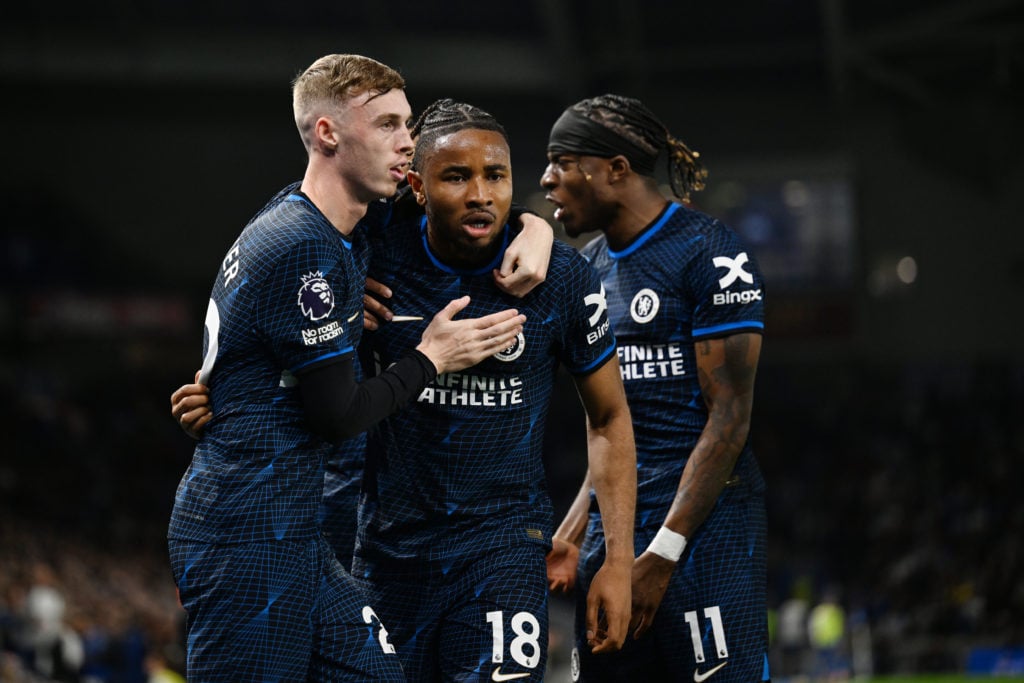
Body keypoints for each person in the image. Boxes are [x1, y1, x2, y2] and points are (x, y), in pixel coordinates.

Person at [166, 54, 531, 682]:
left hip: (293, 531)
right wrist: (432, 357)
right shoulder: (305, 246)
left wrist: (533, 225)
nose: (407, 143)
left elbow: (467, 206)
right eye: (388, 124)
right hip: (247, 532)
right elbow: (336, 415)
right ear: (328, 134)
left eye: (408, 124)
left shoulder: (324, 221)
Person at [351, 98, 636, 682]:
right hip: (389, 557)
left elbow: (609, 419)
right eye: (457, 176)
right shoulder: (372, 260)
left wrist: (618, 562)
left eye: (496, 175)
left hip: (502, 550)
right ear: (417, 186)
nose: (481, 193)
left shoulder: (561, 279)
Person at [541, 94, 770, 682]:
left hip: (704, 538)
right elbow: (613, 426)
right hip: (614, 535)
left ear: (615, 169)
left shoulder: (710, 254)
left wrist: (664, 554)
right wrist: (572, 532)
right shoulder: (586, 270)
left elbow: (730, 420)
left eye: (563, 161)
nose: (547, 179)